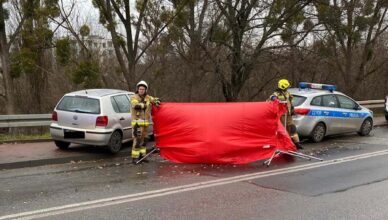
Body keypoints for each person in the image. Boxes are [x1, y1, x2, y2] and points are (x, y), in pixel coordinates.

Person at [130, 80, 161, 164]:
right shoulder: (134, 97)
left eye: (143, 89)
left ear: (145, 90)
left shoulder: (148, 98)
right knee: (137, 141)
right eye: (140, 89)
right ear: (137, 89)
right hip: (137, 124)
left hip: (145, 125)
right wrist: (144, 104)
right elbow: (135, 105)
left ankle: (142, 156)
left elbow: (155, 100)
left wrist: (157, 101)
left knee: (144, 141)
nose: (141, 90)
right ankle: (135, 158)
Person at [269, 79, 303, 150]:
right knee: (283, 130)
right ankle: (284, 144)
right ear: (283, 86)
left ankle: (297, 143)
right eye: (286, 87)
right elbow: (272, 97)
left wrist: (292, 109)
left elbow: (290, 101)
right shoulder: (276, 94)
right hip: (281, 115)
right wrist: (275, 99)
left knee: (292, 128)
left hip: (288, 114)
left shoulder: (287, 93)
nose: (287, 88)